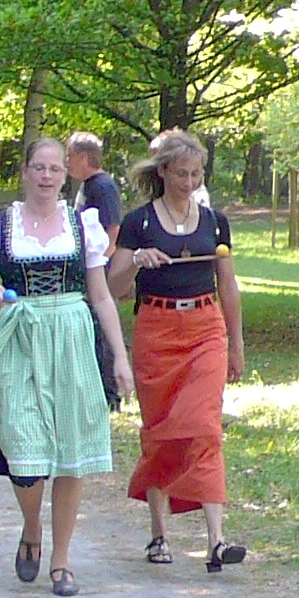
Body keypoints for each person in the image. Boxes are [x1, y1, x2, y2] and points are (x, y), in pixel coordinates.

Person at [0, 137, 133, 597]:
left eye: (55, 168)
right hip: (19, 336)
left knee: (70, 453)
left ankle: (61, 561)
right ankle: (32, 525)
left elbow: (101, 296)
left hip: (72, 336)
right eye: (38, 167)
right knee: (24, 446)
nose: (46, 176)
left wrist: (120, 356)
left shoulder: (83, 225)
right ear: (25, 171)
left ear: (65, 174)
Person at [107, 129, 247, 572]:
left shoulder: (215, 222)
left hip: (206, 328)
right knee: (162, 430)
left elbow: (228, 285)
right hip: (157, 329)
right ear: (163, 172)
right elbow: (112, 287)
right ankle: (158, 533)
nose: (189, 182)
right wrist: (137, 260)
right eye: (182, 173)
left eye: (196, 174)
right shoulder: (139, 223)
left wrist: (237, 344)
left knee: (204, 427)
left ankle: (217, 541)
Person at [67, 131, 125, 410]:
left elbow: (113, 229)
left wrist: (98, 264)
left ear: (83, 157)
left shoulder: (102, 186)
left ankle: (109, 394)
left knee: (102, 330)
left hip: (99, 271)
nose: (67, 162)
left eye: (69, 156)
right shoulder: (88, 185)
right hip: (89, 270)